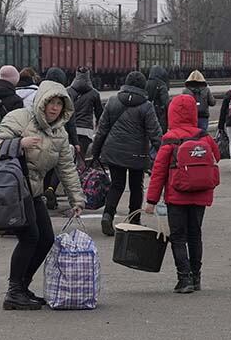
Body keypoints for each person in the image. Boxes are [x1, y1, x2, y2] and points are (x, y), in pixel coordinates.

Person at [0, 80, 86, 310]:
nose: (54, 108)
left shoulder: (59, 132)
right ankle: (14, 292)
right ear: (42, 102)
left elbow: (66, 167)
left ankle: (22, 286)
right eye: (50, 102)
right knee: (30, 237)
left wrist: (77, 199)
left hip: (34, 190)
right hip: (14, 190)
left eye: (59, 104)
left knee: (46, 239)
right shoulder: (20, 118)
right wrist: (19, 143)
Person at [144, 93, 218, 294]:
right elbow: (217, 156)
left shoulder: (169, 139)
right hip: (201, 194)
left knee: (178, 237)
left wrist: (151, 200)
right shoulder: (204, 136)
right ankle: (196, 277)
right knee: (195, 235)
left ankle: (184, 279)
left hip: (176, 197)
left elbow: (158, 172)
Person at [88, 71, 162, 236]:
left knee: (117, 185)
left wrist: (95, 151)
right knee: (136, 186)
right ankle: (134, 221)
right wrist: (163, 152)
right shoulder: (146, 105)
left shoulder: (113, 101)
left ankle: (108, 215)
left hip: (113, 151)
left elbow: (102, 129)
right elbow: (155, 133)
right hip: (137, 154)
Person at [42, 67, 80, 209]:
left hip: (42, 138)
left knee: (44, 168)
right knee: (58, 167)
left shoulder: (41, 95)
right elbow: (70, 121)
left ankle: (45, 194)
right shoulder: (64, 97)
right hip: (59, 137)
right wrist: (75, 142)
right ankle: (51, 190)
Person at [68, 66, 104, 159]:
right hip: (86, 130)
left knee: (69, 158)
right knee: (81, 158)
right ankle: (81, 171)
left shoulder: (68, 91)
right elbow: (99, 114)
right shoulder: (94, 93)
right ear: (89, 76)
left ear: (76, 75)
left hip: (70, 130)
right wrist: (97, 129)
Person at [145, 65, 171, 134]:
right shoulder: (161, 84)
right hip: (159, 113)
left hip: (147, 112)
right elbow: (166, 102)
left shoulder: (145, 83)